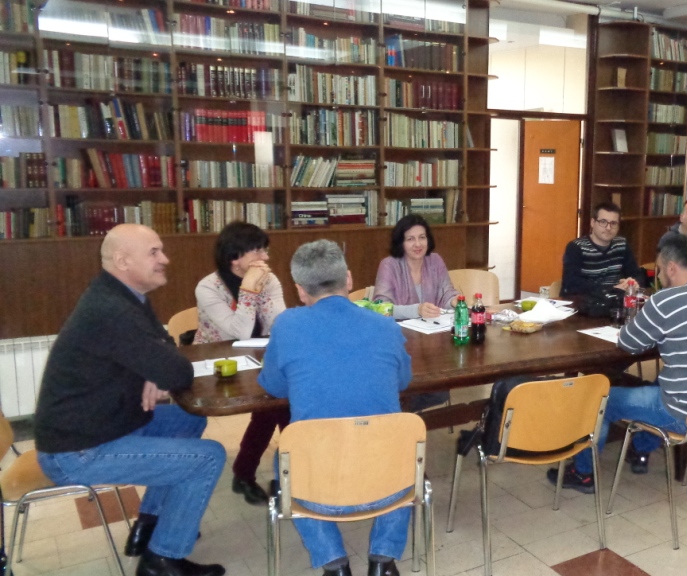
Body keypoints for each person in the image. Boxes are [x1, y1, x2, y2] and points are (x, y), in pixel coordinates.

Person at [34, 224, 226, 576]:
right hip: (77, 451)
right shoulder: (112, 310)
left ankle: (150, 525)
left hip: (106, 424)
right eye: (154, 252)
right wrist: (161, 369)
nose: (165, 259)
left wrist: (155, 370)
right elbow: (179, 372)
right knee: (209, 457)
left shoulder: (124, 296)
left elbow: (165, 347)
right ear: (122, 261)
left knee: (189, 418)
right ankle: (162, 559)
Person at [549, 235, 687, 493]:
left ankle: (583, 474)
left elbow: (628, 342)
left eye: (659, 269)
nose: (658, 276)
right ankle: (641, 449)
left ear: (671, 268)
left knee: (599, 398)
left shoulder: (665, 300)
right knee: (662, 381)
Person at [260, 239, 412, 576]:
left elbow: (274, 387)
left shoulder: (286, 325)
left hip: (317, 488)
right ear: (349, 279)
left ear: (300, 290)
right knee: (404, 443)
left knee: (284, 455)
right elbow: (402, 380)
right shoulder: (386, 325)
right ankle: (383, 560)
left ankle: (334, 563)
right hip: (389, 483)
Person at [193, 221, 290, 505]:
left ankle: (258, 472)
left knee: (278, 402)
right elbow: (239, 332)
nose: (266, 258)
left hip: (259, 355)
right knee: (275, 404)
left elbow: (279, 324)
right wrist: (248, 291)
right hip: (219, 364)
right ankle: (268, 471)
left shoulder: (269, 280)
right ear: (235, 257)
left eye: (265, 250)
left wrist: (260, 290)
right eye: (258, 251)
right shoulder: (208, 287)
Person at [375, 214, 459, 320]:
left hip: (432, 327)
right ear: (401, 243)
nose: (418, 244)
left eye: (422, 237)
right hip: (398, 328)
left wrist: (453, 301)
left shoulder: (435, 261)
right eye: (410, 239)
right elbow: (381, 307)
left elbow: (446, 294)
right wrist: (417, 310)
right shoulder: (388, 265)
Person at [561, 202, 644, 297]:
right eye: (603, 222)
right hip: (581, 301)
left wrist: (633, 282)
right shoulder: (576, 247)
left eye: (613, 223)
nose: (608, 228)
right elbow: (571, 284)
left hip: (612, 300)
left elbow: (637, 275)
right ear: (593, 223)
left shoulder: (622, 244)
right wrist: (612, 288)